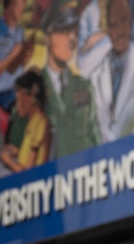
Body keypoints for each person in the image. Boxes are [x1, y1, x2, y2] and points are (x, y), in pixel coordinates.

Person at [81, 0, 134, 143]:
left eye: (124, 21)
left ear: (131, 22)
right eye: (113, 25)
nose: (120, 31)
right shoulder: (95, 70)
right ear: (107, 31)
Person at [41, 2, 100, 158]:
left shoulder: (84, 87)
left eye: (75, 31)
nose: (72, 38)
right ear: (48, 36)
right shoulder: (34, 88)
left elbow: (95, 141)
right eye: (65, 30)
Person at [0, 70, 51, 174]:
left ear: (31, 97)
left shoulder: (40, 123)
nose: (17, 106)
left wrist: (8, 161)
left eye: (19, 100)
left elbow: (28, 173)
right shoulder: (33, 120)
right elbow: (29, 155)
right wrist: (16, 151)